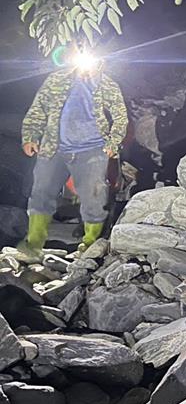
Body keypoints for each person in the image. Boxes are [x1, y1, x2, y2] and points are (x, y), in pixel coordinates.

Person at [19, 40, 128, 258]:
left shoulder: (107, 84)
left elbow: (120, 116)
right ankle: (33, 244)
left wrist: (113, 143)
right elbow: (38, 109)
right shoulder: (56, 80)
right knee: (41, 192)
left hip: (92, 150)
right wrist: (30, 136)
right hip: (54, 147)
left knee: (94, 197)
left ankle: (90, 245)